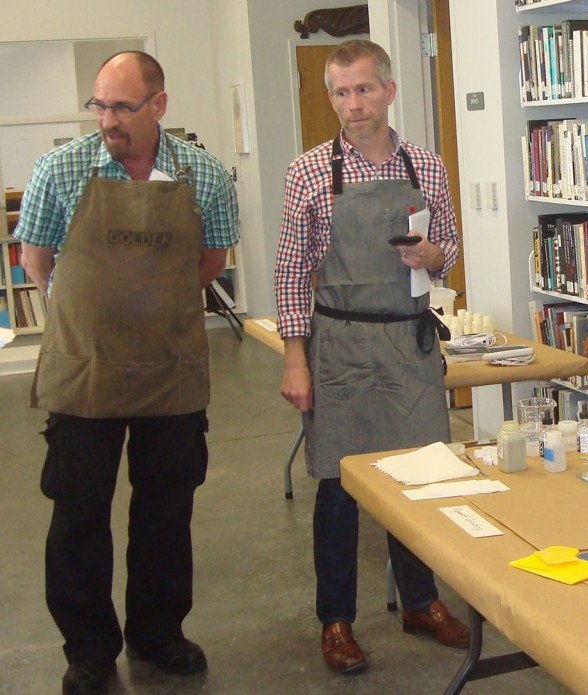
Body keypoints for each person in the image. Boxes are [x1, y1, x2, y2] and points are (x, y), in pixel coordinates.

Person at [16, 51, 239, 695]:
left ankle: (158, 634)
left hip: (169, 367)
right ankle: (87, 649)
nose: (107, 119)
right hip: (85, 370)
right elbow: (36, 258)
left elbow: (211, 259)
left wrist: (150, 313)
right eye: (100, 105)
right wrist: (97, 314)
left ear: (159, 105)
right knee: (78, 512)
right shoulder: (62, 168)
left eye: (122, 106)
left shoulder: (201, 173)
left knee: (166, 508)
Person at [274, 39, 468, 675]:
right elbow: (290, 272)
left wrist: (433, 257)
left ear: (388, 89)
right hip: (340, 347)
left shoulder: (426, 166)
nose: (353, 105)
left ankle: (420, 601)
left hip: (409, 341)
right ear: (329, 96)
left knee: (417, 480)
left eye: (363, 89)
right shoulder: (309, 172)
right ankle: (336, 620)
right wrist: (295, 360)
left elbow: (451, 248)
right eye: (340, 92)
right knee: (338, 488)